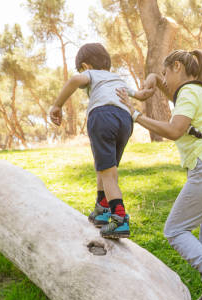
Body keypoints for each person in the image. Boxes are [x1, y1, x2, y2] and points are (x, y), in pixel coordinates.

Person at [116, 49, 202, 300]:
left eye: (166, 72)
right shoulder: (201, 91)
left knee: (175, 230)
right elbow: (170, 92)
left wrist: (135, 115)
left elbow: (175, 131)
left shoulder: (189, 93)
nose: (165, 79)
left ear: (177, 66)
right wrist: (154, 75)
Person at [49, 43, 152, 239]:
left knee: (108, 173)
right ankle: (102, 208)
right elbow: (140, 95)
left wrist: (57, 105)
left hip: (102, 116)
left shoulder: (91, 74)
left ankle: (119, 219)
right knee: (107, 168)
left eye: (82, 69)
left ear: (86, 66)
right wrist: (150, 86)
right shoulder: (117, 79)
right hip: (125, 120)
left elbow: (75, 80)